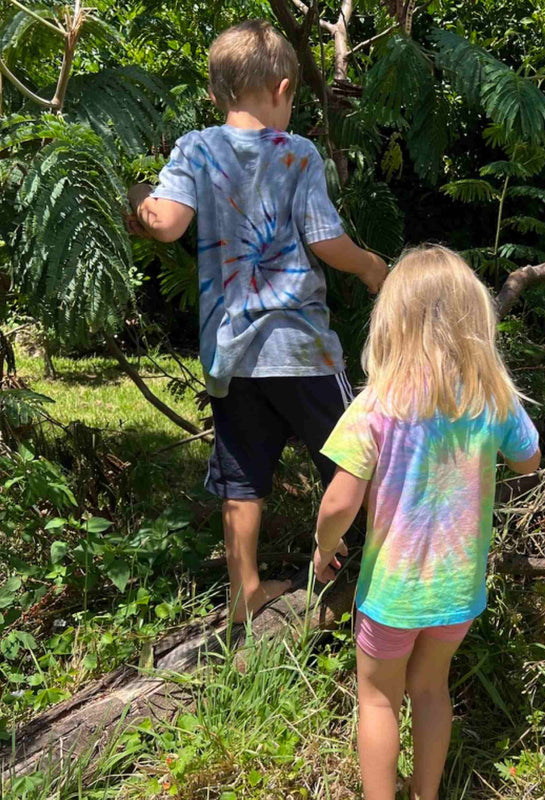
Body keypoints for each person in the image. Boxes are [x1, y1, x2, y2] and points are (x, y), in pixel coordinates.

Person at [125, 20, 388, 623]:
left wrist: (138, 195)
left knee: (241, 474)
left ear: (215, 93)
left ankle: (244, 591)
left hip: (231, 353)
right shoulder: (298, 153)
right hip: (300, 347)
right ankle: (384, 564)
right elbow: (326, 241)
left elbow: (165, 223)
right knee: (355, 457)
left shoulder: (196, 148)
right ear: (284, 87)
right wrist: (372, 267)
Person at [312, 245, 541, 800]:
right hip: (457, 589)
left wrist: (324, 547)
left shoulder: (378, 405)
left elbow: (339, 503)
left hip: (393, 594)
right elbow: (529, 460)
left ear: (392, 320)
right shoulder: (492, 399)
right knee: (432, 688)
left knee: (378, 699)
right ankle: (426, 793)